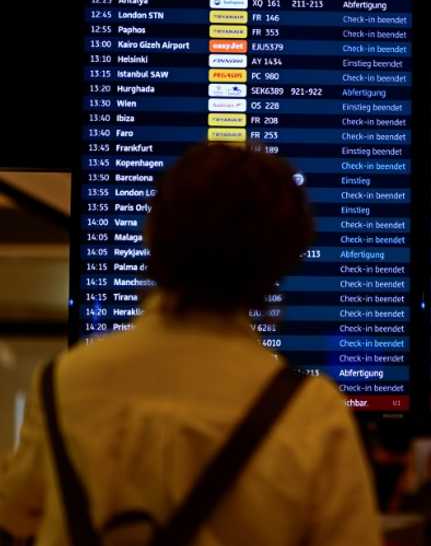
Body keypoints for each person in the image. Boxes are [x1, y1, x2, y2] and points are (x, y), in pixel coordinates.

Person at [0, 143, 381, 545]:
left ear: (155, 235)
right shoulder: (312, 413)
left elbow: (14, 515)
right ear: (283, 260)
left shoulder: (62, 383)